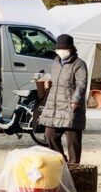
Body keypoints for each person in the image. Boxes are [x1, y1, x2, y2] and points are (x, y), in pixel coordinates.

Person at [37, 33, 87, 163]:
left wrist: (76, 100)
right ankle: (61, 161)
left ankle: (75, 168)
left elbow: (82, 84)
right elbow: (56, 80)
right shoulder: (55, 62)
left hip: (71, 106)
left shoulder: (79, 64)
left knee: (73, 141)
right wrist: (48, 83)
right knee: (50, 135)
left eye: (65, 48)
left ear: (72, 48)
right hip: (55, 106)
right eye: (59, 48)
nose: (62, 51)